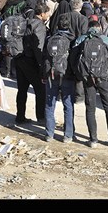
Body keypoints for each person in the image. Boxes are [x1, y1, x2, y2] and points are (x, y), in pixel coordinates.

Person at [70, 20, 108, 148]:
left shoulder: (81, 39)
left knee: (90, 108)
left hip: (87, 79)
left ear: (89, 28)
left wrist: (80, 74)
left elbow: (72, 59)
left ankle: (93, 140)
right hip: (104, 77)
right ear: (99, 28)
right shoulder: (105, 39)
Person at [42, 14, 76, 143]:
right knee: (68, 105)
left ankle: (49, 134)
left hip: (51, 74)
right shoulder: (72, 40)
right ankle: (68, 135)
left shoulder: (50, 39)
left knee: (50, 104)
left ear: (57, 26)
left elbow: (45, 58)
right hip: (67, 75)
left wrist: (44, 75)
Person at [14, 2, 49, 124]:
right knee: (40, 89)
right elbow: (38, 47)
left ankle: (20, 116)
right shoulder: (39, 26)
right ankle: (41, 117)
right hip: (31, 61)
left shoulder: (26, 21)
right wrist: (42, 66)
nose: (48, 16)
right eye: (47, 13)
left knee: (22, 89)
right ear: (42, 14)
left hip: (19, 58)